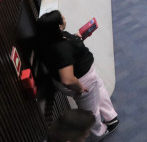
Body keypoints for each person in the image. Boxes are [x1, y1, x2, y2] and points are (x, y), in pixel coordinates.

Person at [36, 11, 119, 139]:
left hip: (87, 75)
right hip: (83, 82)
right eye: (61, 18)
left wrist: (77, 38)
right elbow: (68, 79)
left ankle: (111, 117)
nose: (64, 18)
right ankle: (99, 132)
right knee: (90, 111)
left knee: (99, 88)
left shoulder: (53, 38)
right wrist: (80, 88)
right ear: (58, 27)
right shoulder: (61, 49)